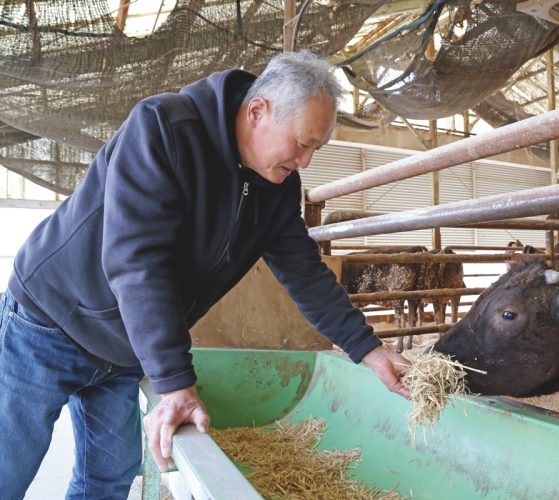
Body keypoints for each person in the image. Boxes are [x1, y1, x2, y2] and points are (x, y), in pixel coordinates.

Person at [0, 50, 411, 499]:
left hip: (124, 350)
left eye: (317, 147)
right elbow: (137, 261)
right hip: (51, 320)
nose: (307, 161)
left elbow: (305, 273)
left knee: (111, 475)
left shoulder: (277, 189)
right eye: (302, 143)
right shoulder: (163, 128)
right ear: (258, 111)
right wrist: (175, 382)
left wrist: (369, 350)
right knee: (9, 465)